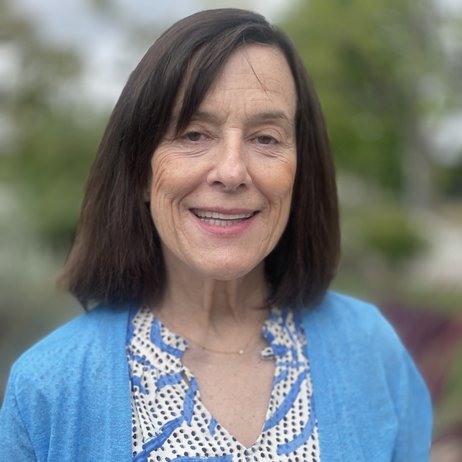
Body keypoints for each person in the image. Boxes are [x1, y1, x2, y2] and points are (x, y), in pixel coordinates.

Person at [0, 8, 432, 461]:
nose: (231, 171)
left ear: (299, 172)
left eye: (265, 138)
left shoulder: (371, 351)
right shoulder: (50, 388)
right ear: (141, 173)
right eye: (192, 134)